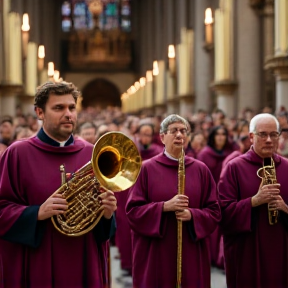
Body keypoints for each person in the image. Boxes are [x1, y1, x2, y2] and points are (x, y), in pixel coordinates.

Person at [0, 81, 117, 288]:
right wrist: (36, 213)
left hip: (83, 261)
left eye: (72, 108)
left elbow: (102, 226)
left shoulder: (93, 153)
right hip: (39, 261)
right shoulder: (18, 153)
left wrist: (107, 214)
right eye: (58, 108)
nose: (68, 114)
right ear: (39, 112)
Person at [126, 114, 221, 288]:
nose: (179, 135)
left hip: (191, 251)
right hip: (157, 253)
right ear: (162, 137)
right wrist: (164, 207)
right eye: (174, 131)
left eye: (183, 131)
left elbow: (214, 211)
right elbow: (133, 212)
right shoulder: (146, 169)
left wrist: (192, 215)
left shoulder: (200, 170)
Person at [218, 113, 288, 288]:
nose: (269, 140)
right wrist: (254, 201)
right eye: (263, 134)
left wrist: (285, 208)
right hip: (248, 250)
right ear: (251, 137)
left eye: (274, 135)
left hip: (282, 248)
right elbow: (222, 213)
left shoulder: (287, 167)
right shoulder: (234, 167)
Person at [197, 125, 237, 269]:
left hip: (226, 193)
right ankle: (212, 257)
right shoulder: (204, 154)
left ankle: (222, 258)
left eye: (223, 134)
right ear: (213, 137)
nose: (220, 137)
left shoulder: (229, 152)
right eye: (217, 134)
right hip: (210, 194)